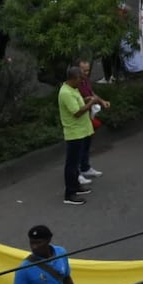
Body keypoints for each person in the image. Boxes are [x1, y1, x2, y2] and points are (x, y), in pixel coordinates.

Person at [59, 65, 100, 205]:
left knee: (76, 162)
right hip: (74, 132)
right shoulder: (65, 93)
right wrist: (91, 103)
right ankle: (69, 194)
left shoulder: (73, 89)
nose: (81, 82)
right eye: (79, 80)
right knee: (71, 164)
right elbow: (77, 112)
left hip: (81, 130)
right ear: (73, 78)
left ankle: (76, 186)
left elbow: (79, 103)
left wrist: (87, 99)